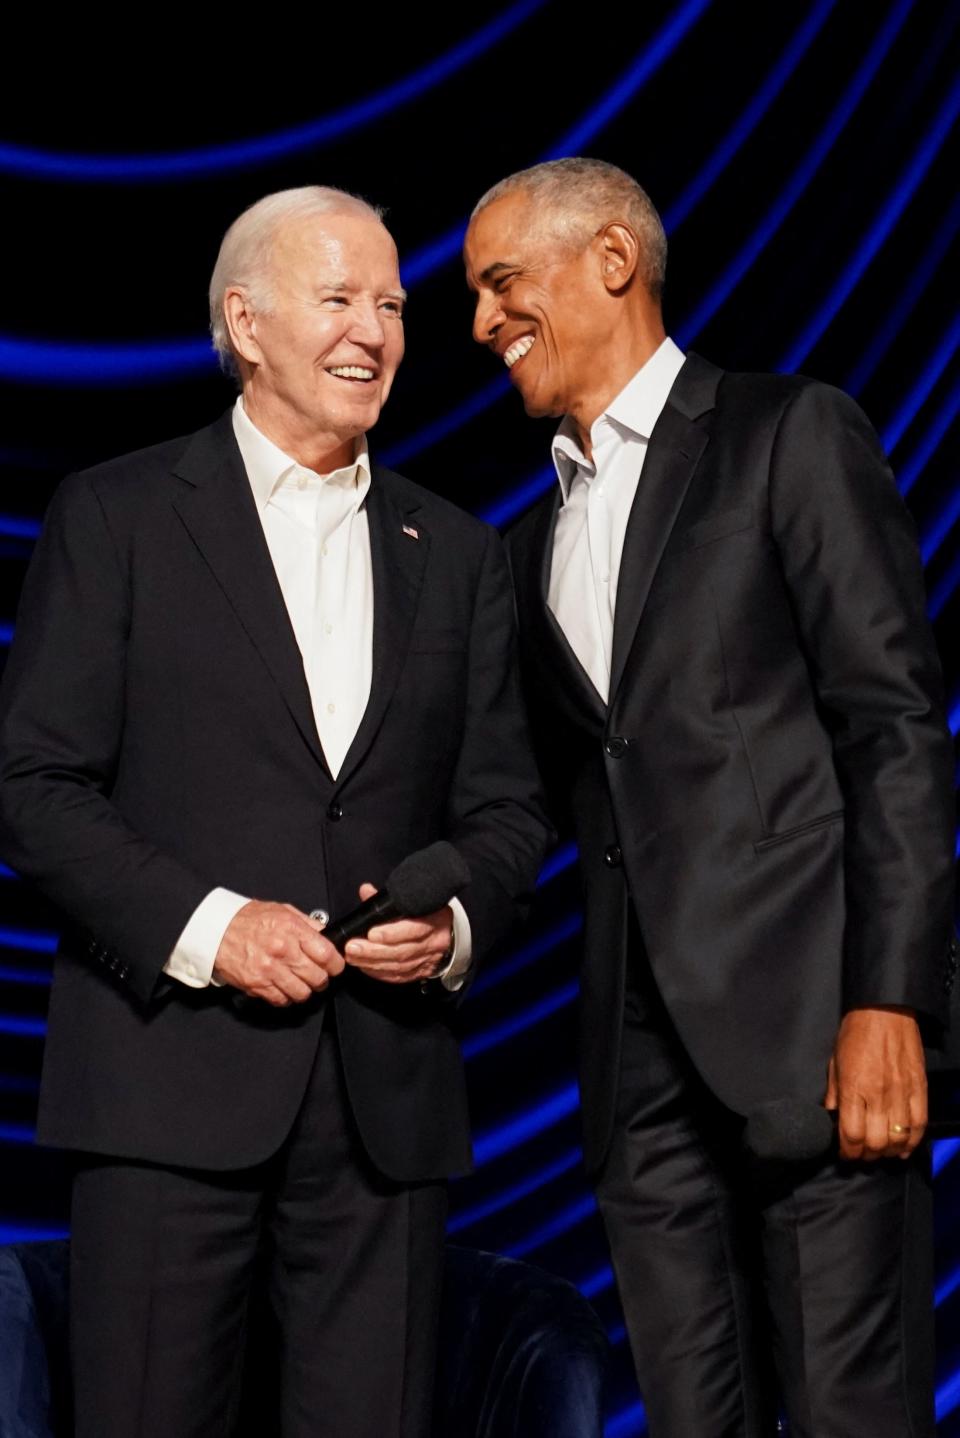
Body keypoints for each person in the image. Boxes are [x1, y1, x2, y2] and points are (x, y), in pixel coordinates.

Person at [0, 185, 549, 1438]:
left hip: (382, 1106)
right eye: (341, 298)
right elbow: (30, 786)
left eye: (395, 304)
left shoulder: (458, 551)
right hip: (164, 1084)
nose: (376, 330)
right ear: (245, 323)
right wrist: (212, 926)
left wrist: (454, 918)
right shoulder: (118, 516)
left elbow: (509, 805)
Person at [464, 157, 957, 1437]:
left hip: (817, 1042)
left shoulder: (786, 434)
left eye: (502, 283)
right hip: (640, 1088)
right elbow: (538, 791)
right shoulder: (529, 548)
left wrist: (887, 997)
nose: (479, 323)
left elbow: (893, 727)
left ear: (612, 260)